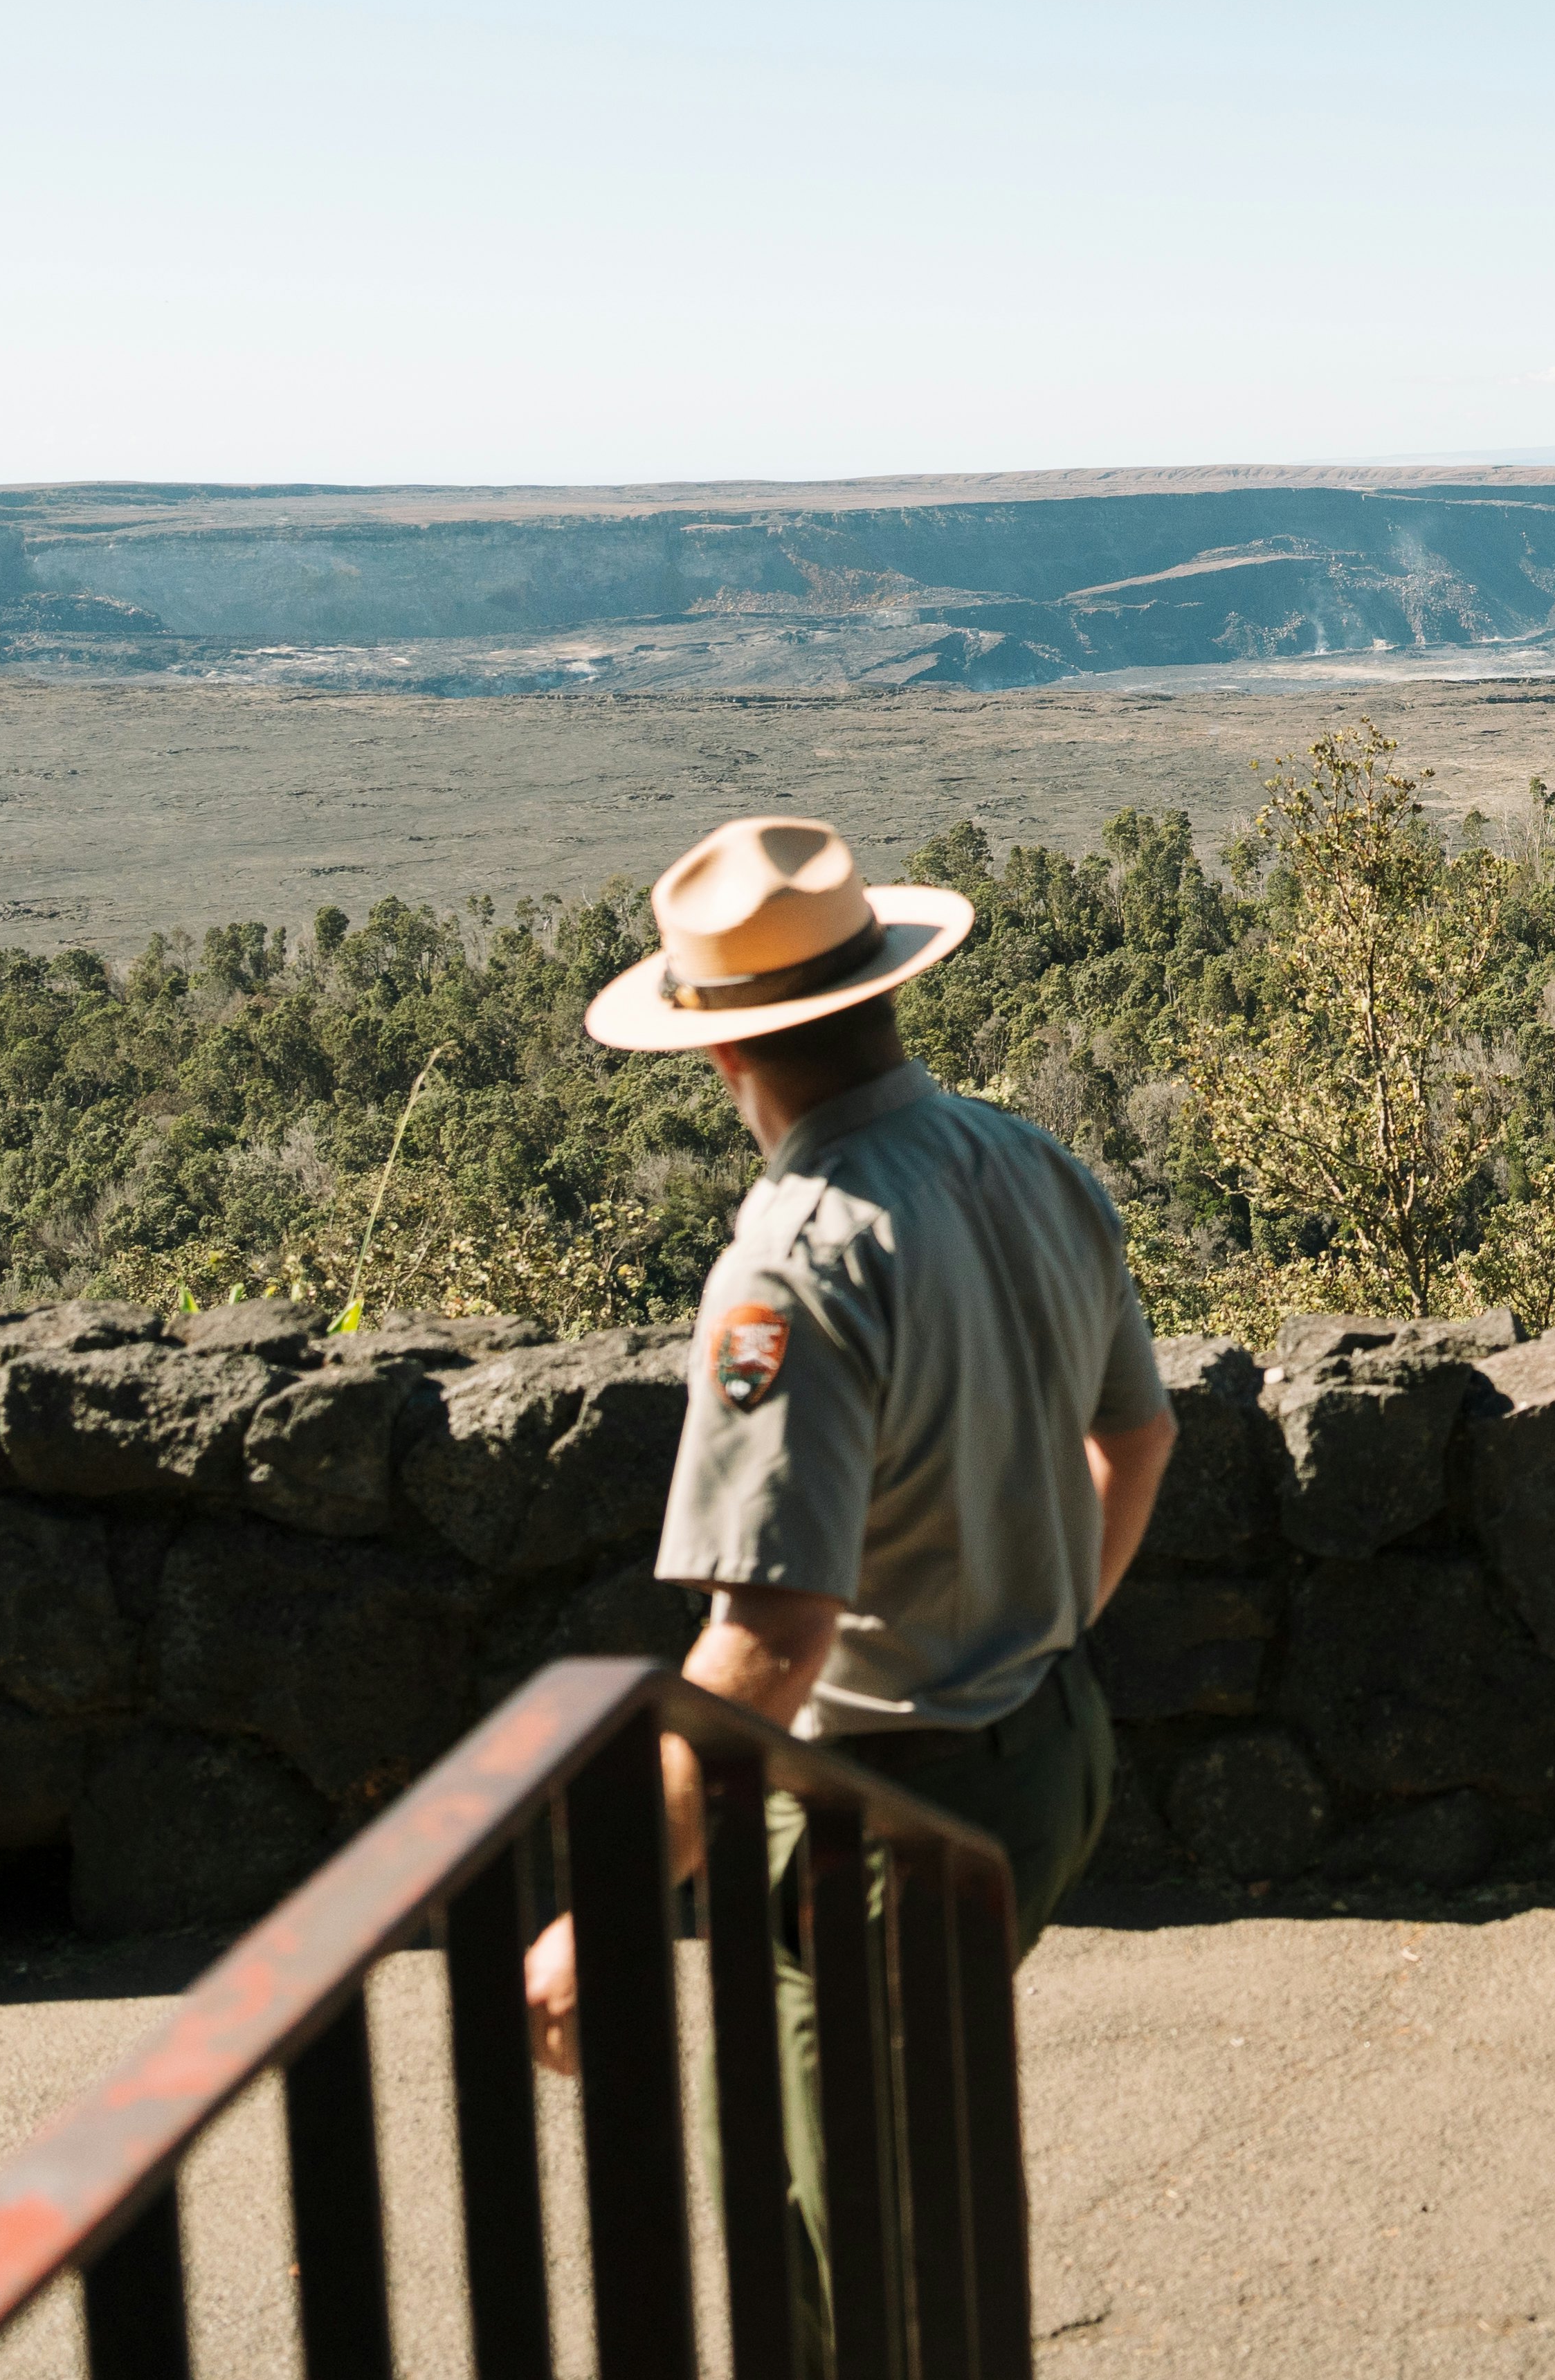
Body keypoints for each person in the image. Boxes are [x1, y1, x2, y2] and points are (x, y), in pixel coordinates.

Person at [522, 813, 1176, 2347]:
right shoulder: (1033, 1160)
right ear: (882, 984)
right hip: (1046, 1748)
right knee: (923, 2194)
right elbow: (1136, 1436)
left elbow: (768, 1635)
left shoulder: (792, 1264)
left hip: (882, 1815)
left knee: (836, 2265)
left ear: (719, 1054)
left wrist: (609, 1910)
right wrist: (1042, 1624)